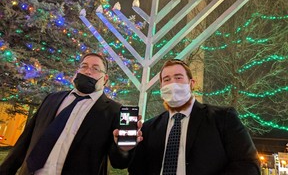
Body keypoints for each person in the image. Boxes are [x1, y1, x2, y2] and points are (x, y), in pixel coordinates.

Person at [0, 53, 140, 175]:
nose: (87, 71)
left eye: (95, 69)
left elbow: (119, 163)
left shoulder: (115, 110)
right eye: (84, 66)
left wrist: (122, 148)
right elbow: (25, 141)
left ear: (105, 79)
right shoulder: (52, 99)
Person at [128, 59, 261, 175]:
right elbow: (136, 168)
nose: (172, 83)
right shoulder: (149, 128)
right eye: (166, 79)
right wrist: (125, 148)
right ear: (161, 87)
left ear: (191, 83)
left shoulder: (223, 118)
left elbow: (248, 165)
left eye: (178, 77)